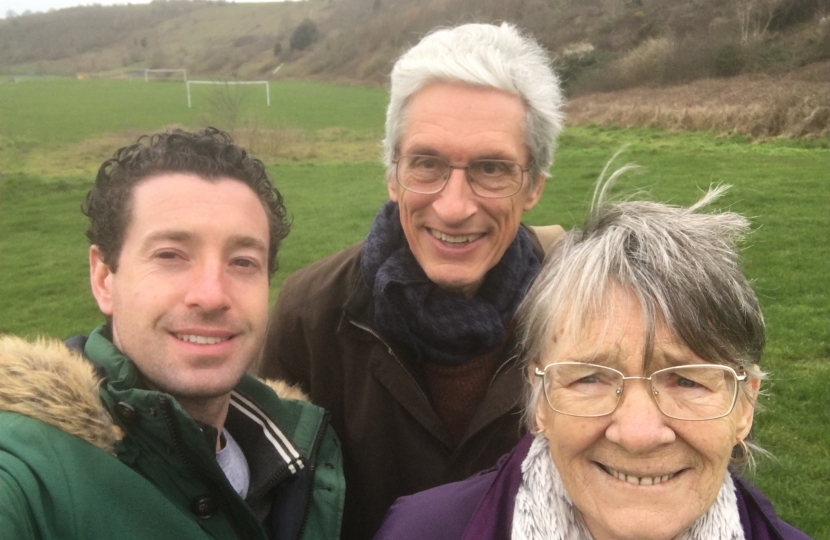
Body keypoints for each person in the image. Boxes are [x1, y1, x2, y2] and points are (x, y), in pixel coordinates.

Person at [257, 22, 565, 539]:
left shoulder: (585, 306)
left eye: (491, 168)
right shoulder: (311, 313)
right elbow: (273, 505)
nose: (454, 206)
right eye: (426, 164)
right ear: (392, 173)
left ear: (532, 184)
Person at [373, 184, 812, 540]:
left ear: (744, 407)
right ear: (540, 400)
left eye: (686, 381)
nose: (638, 434)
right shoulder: (419, 530)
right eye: (590, 378)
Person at [0, 128, 345, 540]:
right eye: (170, 255)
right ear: (104, 277)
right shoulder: (26, 473)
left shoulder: (297, 452)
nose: (212, 295)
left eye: (243, 261)